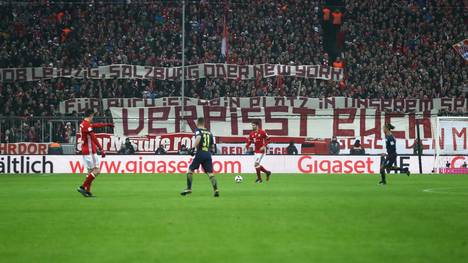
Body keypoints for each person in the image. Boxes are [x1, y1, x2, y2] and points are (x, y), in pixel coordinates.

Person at [77, 109, 114, 197]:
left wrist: (107, 124)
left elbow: (95, 125)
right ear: (90, 115)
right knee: (97, 170)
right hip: (90, 151)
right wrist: (101, 149)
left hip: (85, 151)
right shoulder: (86, 125)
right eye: (93, 116)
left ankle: (87, 192)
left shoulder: (83, 124)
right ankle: (82, 187)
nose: (93, 117)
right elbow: (93, 137)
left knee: (90, 172)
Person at [181, 117, 219, 197]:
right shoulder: (209, 133)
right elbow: (212, 145)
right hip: (208, 154)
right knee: (210, 173)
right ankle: (216, 189)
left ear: (198, 123)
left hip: (200, 153)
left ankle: (189, 188)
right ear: (204, 123)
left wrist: (193, 148)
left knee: (190, 170)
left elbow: (198, 137)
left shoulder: (198, 130)